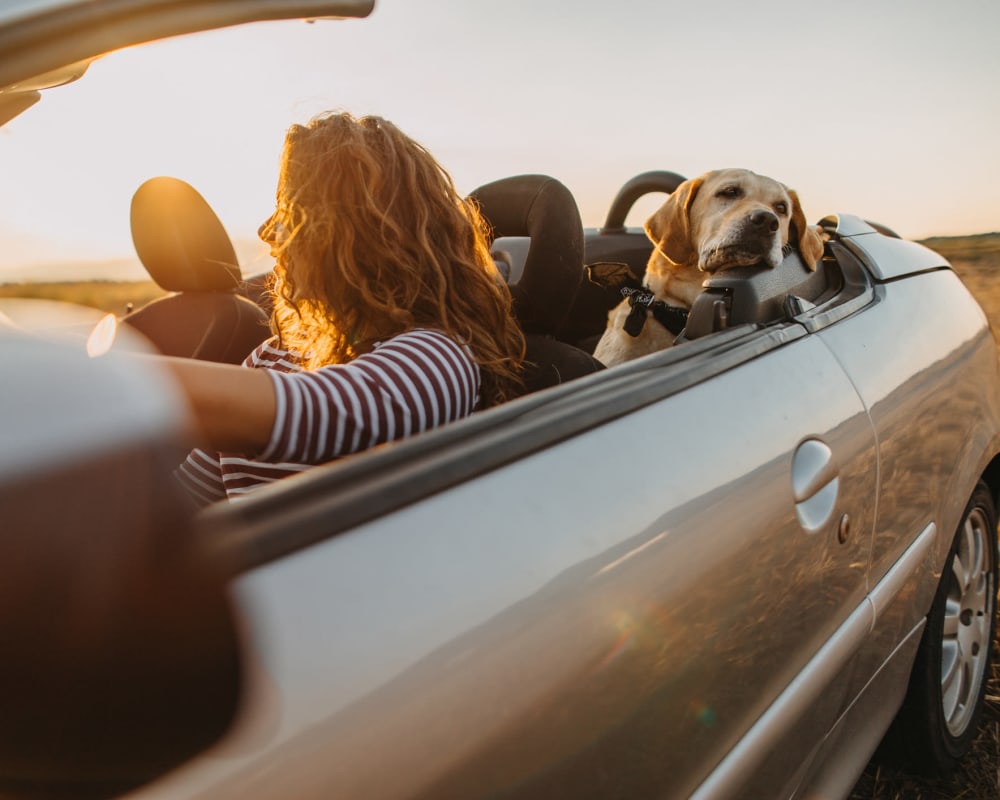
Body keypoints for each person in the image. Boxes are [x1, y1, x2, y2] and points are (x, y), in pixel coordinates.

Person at [168, 112, 525, 506]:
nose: (267, 231)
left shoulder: (438, 359)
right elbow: (179, 504)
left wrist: (105, 379)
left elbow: (310, 416)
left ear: (355, 232)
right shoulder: (272, 356)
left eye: (289, 210)